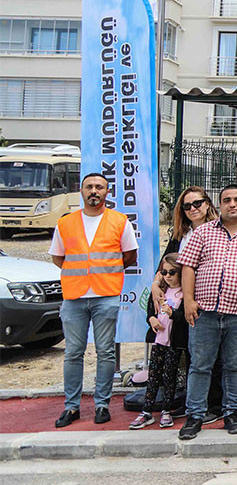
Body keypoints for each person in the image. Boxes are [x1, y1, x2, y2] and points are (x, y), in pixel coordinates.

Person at [177, 184, 237, 440]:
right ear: (219, 204)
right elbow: (188, 267)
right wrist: (188, 300)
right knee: (200, 366)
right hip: (204, 312)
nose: (232, 204)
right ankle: (195, 416)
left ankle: (232, 413)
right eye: (227, 200)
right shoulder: (203, 232)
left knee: (234, 366)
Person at [49, 172, 138, 428]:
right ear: (81, 191)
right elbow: (58, 257)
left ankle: (102, 405)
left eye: (99, 187)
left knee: (106, 352)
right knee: (73, 353)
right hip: (74, 296)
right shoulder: (66, 223)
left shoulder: (119, 221)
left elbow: (129, 255)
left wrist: (105, 273)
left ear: (107, 192)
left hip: (105, 295)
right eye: (89, 186)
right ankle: (71, 406)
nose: (94, 191)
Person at [149, 186, 216, 413]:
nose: (192, 209)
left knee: (206, 357)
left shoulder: (217, 232)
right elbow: (165, 265)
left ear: (207, 204)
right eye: (187, 206)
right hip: (180, 306)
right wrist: (155, 284)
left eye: (197, 203)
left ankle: (210, 403)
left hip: (206, 302)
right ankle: (190, 402)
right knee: (187, 354)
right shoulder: (180, 236)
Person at [132, 253, 183, 429]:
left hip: (174, 342)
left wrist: (173, 313)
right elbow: (150, 311)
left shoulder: (184, 293)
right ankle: (146, 410)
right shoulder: (160, 291)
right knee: (153, 376)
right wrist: (152, 319)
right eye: (164, 272)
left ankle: (166, 410)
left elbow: (184, 317)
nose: (168, 276)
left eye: (172, 272)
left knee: (169, 376)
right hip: (158, 341)